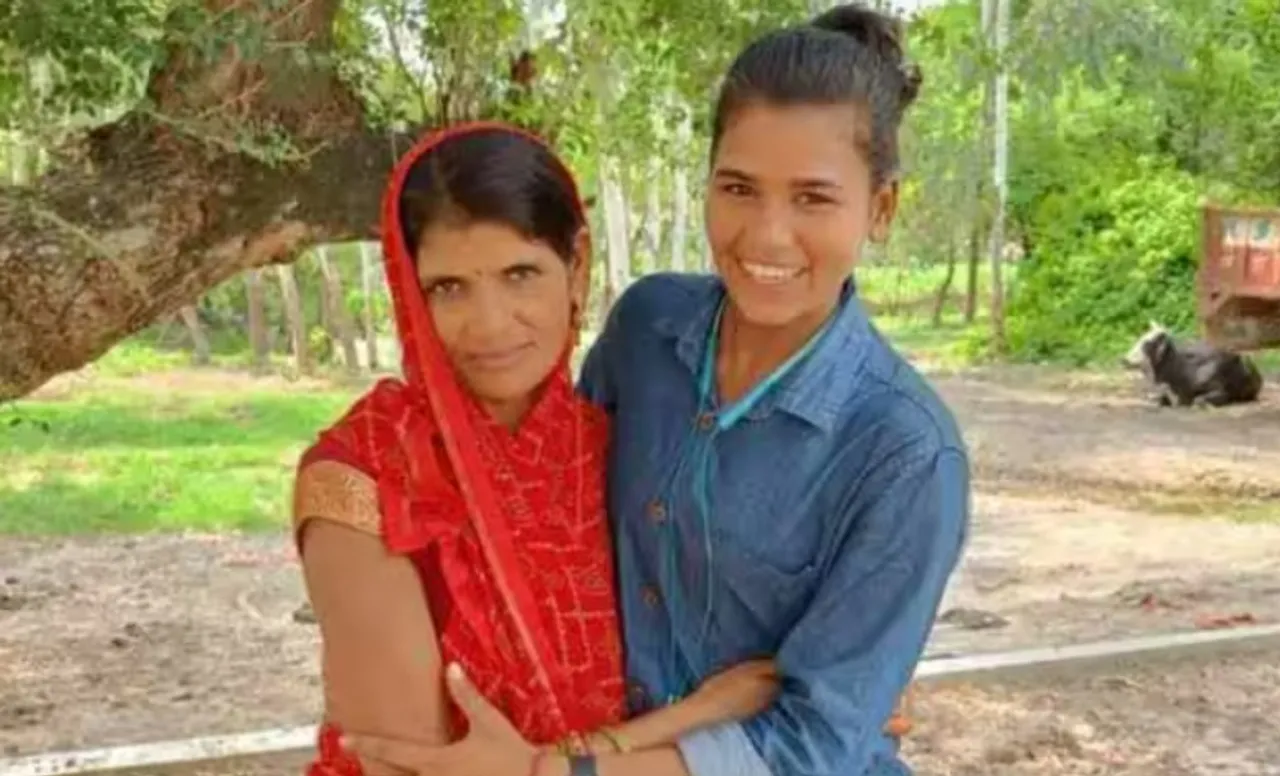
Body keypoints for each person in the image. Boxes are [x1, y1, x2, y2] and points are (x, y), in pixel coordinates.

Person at [341, 5, 969, 776]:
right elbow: (558, 513)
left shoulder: (905, 454)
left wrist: (558, 771)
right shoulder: (647, 330)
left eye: (813, 198)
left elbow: (813, 746)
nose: (767, 235)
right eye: (738, 188)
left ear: (881, 209)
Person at [292, 122, 781, 776]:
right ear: (410, 292)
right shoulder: (363, 477)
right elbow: (411, 766)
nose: (490, 324)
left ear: (576, 267)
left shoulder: (617, 449)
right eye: (449, 287)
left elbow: (757, 681)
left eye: (520, 273)